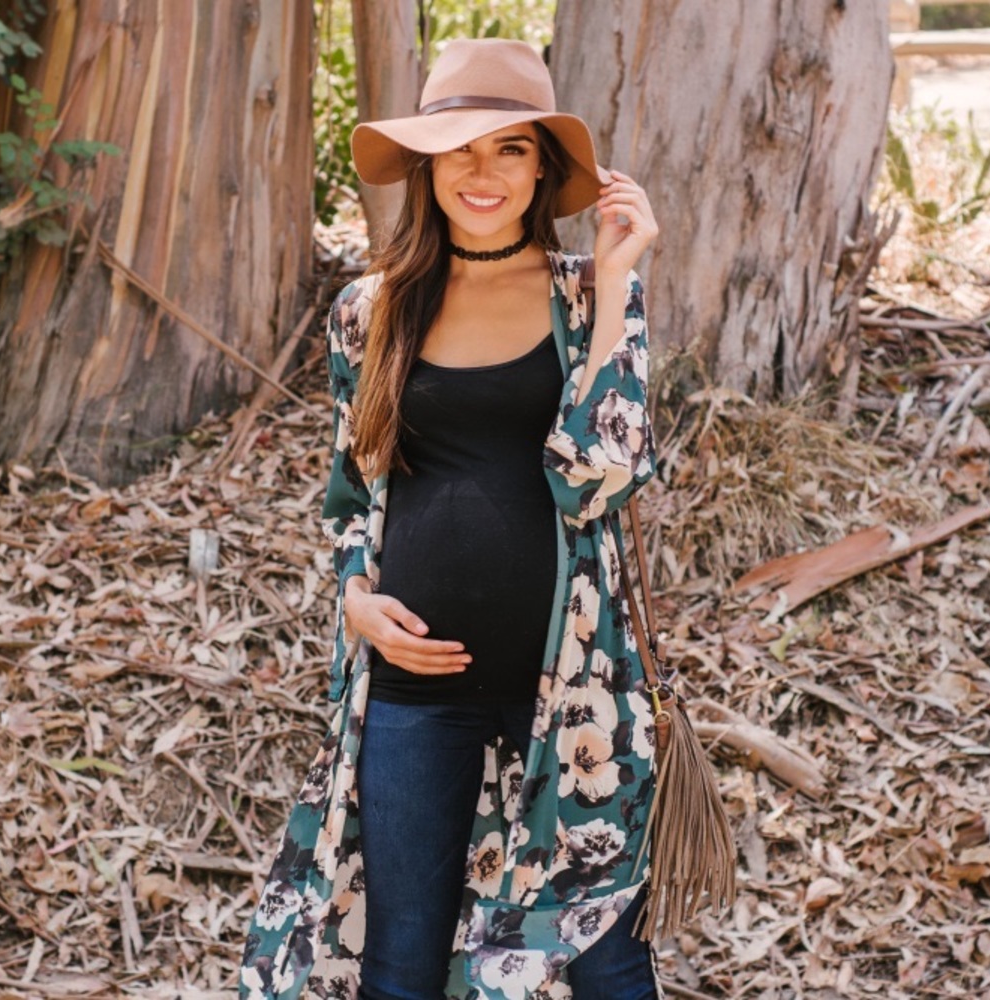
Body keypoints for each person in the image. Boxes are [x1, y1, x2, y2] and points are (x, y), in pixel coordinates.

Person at [241, 38, 661, 1000]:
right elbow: (353, 497)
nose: (483, 172)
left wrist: (611, 286)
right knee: (401, 962)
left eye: (510, 149)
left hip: (573, 692)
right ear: (426, 164)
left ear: (542, 169)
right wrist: (355, 598)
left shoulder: (587, 296)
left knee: (604, 961)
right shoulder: (369, 310)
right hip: (411, 689)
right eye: (459, 148)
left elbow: (598, 477)